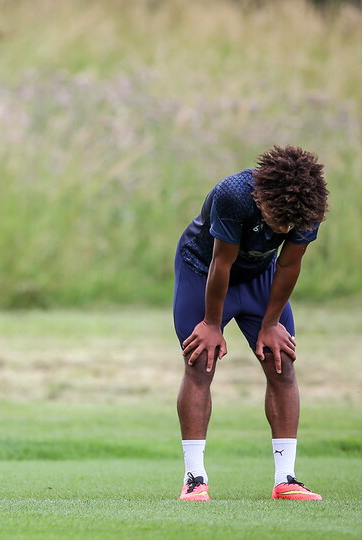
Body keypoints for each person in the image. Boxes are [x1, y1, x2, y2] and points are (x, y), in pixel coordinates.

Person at [174, 146, 328, 501]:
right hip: (203, 271)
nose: (284, 229)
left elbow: (288, 264)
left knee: (281, 360)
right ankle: (195, 479)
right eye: (278, 220)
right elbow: (221, 264)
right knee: (200, 359)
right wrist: (211, 324)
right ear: (262, 199)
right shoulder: (234, 195)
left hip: (260, 275)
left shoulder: (307, 206)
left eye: (290, 225)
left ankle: (285, 478)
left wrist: (271, 323)